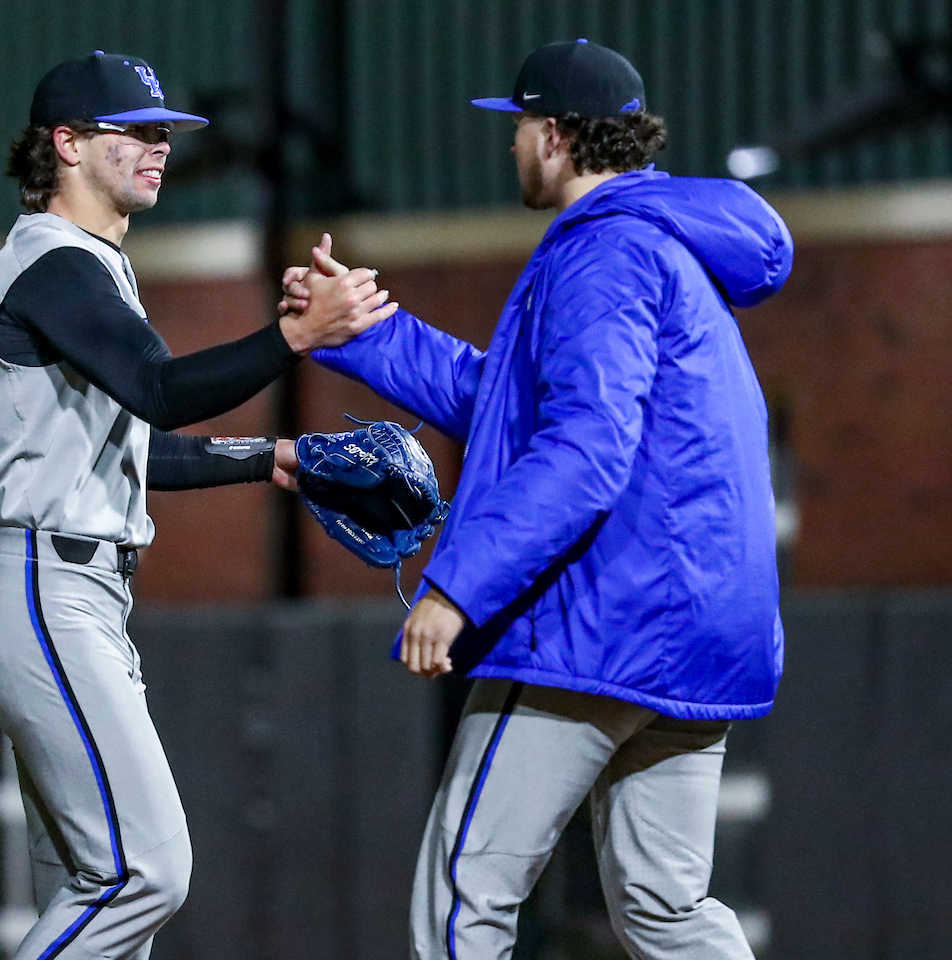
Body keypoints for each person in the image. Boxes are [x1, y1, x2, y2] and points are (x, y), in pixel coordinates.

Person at [282, 39, 792, 960]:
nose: (512, 143)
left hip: (602, 624)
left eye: (518, 125)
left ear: (556, 135)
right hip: (701, 633)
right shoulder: (663, 247)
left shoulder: (605, 254)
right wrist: (364, 333)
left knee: (461, 895)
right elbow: (511, 409)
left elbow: (585, 450)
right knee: (668, 913)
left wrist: (457, 587)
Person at [0, 51, 394, 960]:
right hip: (44, 588)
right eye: (136, 132)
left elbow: (135, 446)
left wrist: (267, 457)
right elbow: (161, 388)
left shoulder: (84, 268)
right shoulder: (55, 262)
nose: (159, 148)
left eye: (165, 133)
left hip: (70, 592)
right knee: (141, 873)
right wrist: (294, 337)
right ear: (66, 144)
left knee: (100, 897)